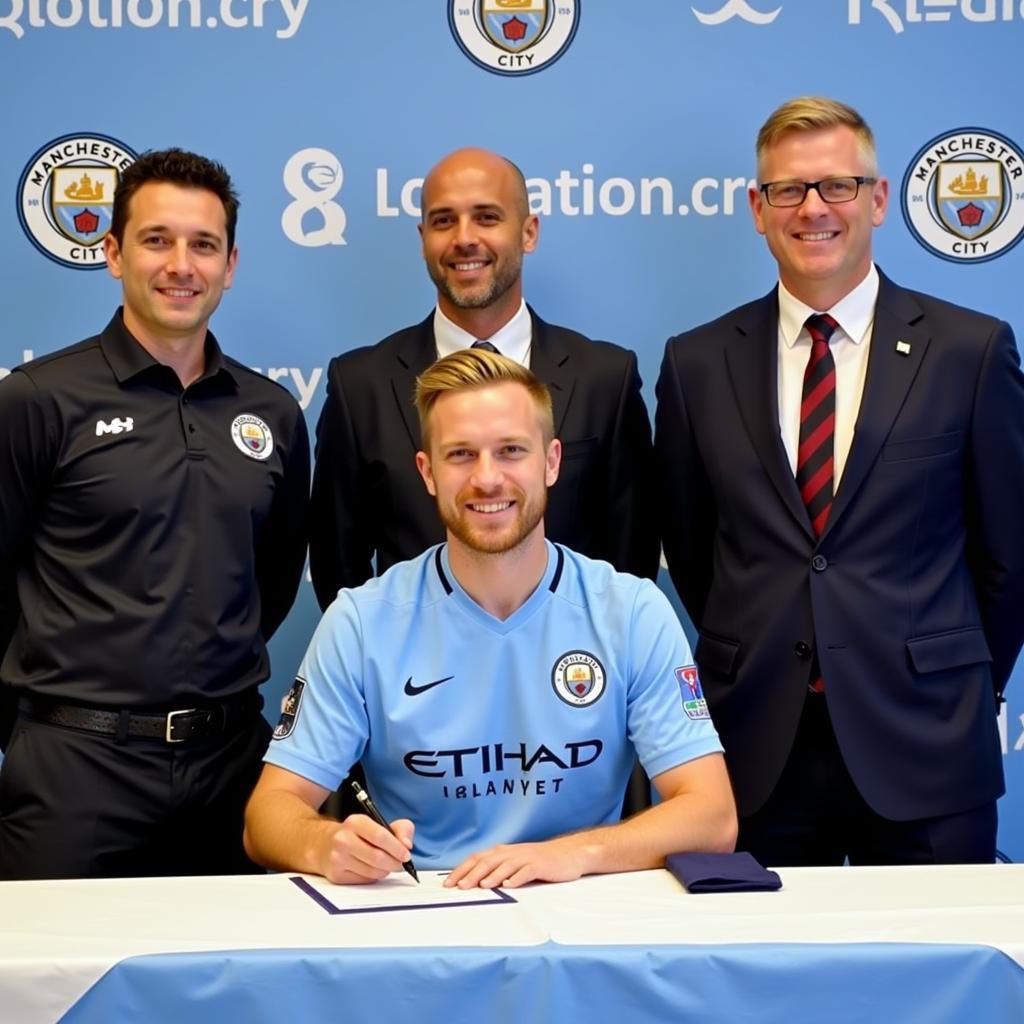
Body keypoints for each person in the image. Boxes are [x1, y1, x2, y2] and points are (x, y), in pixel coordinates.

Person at [655, 96, 1024, 866]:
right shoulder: (696, 364)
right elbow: (693, 552)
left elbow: (1007, 554)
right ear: (758, 210)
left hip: (927, 740)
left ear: (879, 200)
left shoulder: (970, 351)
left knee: (936, 974)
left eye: (837, 186)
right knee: (763, 980)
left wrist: (952, 677)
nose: (812, 208)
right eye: (788, 190)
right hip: (758, 748)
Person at [245, 349, 735, 886]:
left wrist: (574, 854)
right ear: (427, 472)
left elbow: (712, 816)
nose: (487, 478)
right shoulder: (362, 621)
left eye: (510, 451)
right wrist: (323, 843)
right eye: (460, 455)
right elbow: (267, 816)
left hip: (582, 907)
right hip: (421, 908)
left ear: (551, 462)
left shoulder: (631, 612)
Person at [0, 149, 310, 879]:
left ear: (230, 265)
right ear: (111, 253)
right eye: (156, 240)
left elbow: (270, 582)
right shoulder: (38, 401)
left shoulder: (272, 412)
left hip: (231, 767)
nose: (181, 265)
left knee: (237, 986)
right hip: (75, 772)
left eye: (203, 245)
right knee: (48, 990)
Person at [308, 146, 658, 611]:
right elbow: (338, 568)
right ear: (423, 237)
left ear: (528, 232)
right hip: (409, 674)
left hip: (569, 673)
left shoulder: (605, 380)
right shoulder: (359, 386)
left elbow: (630, 564)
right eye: (443, 220)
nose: (464, 238)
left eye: (487, 217)